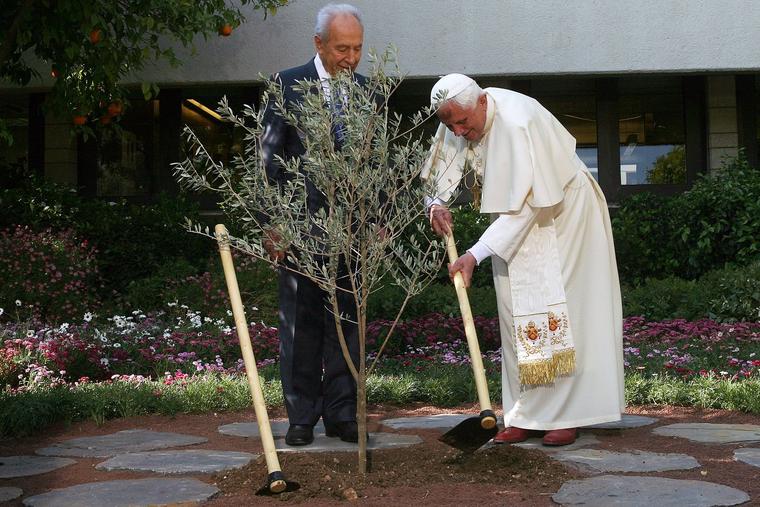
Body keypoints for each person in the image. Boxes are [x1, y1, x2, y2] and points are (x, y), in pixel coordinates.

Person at [423, 73, 625, 446]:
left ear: (482, 103)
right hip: (520, 218)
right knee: (515, 309)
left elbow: (529, 205)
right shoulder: (458, 114)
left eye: (462, 122)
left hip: (565, 215)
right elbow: (440, 173)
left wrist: (475, 254)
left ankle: (567, 415)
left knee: (562, 311)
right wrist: (436, 203)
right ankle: (526, 414)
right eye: (449, 124)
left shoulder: (518, 122)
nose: (458, 131)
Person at [260, 3, 365, 446]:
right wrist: (274, 223)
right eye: (343, 48)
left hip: (353, 234)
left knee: (347, 324)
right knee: (301, 324)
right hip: (299, 232)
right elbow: (268, 161)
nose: (351, 58)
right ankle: (301, 416)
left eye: (358, 48)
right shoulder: (284, 86)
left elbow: (374, 162)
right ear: (318, 44)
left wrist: (375, 220)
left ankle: (342, 413)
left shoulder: (367, 91)